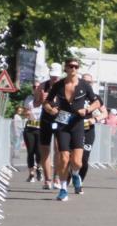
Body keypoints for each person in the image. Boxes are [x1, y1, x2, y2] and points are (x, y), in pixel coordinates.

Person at [42, 58, 100, 201]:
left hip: (77, 124)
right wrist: (51, 110)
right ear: (66, 68)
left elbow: (97, 102)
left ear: (78, 68)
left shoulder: (84, 85)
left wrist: (87, 110)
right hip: (62, 123)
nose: (73, 69)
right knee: (63, 157)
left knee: (77, 161)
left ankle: (75, 174)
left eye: (76, 66)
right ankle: (63, 189)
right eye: (70, 66)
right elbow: (47, 102)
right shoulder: (59, 85)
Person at [34, 63, 63, 190]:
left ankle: (56, 177)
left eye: (56, 77)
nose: (54, 79)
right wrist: (41, 99)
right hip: (46, 119)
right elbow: (35, 104)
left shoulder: (64, 86)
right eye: (52, 76)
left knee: (58, 148)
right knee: (45, 149)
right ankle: (47, 179)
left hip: (60, 118)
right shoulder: (42, 86)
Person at [78, 73, 107, 189]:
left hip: (88, 130)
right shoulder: (75, 95)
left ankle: (79, 180)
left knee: (84, 158)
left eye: (89, 82)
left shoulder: (95, 98)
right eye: (84, 81)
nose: (87, 84)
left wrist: (95, 119)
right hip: (75, 129)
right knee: (73, 157)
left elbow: (105, 113)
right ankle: (70, 176)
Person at [23, 84, 44, 182]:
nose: (36, 88)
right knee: (30, 151)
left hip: (41, 129)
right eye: (34, 87)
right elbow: (25, 112)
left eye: (38, 87)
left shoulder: (45, 99)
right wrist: (27, 113)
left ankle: (39, 167)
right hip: (30, 128)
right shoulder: (29, 99)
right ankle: (31, 173)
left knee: (39, 152)